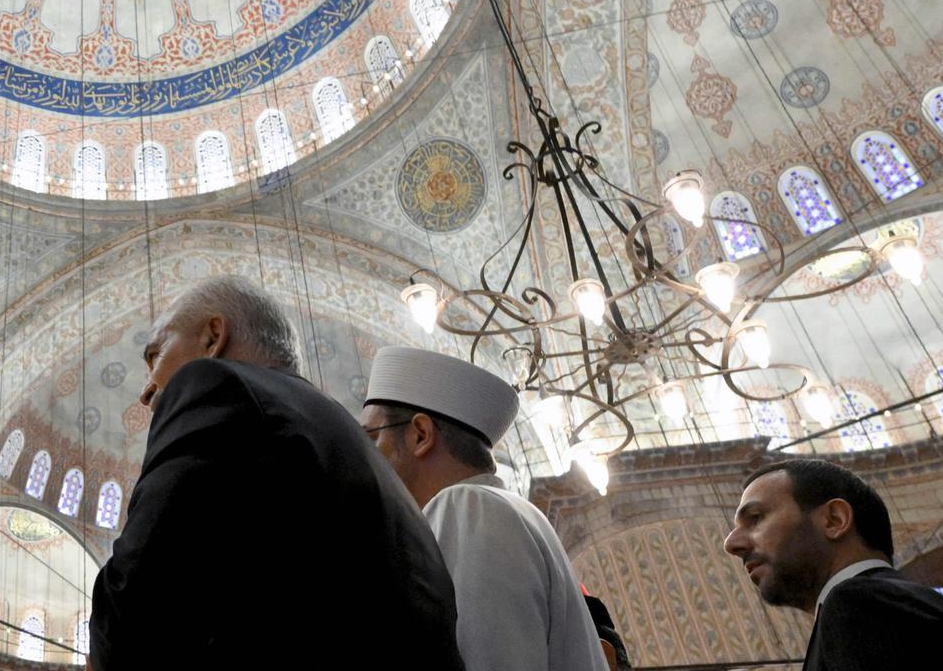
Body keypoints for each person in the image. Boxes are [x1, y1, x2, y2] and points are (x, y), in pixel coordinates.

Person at [90, 277, 463, 670]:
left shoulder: (216, 385)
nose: (147, 392)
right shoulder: (352, 446)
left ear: (212, 338)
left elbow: (133, 613)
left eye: (156, 354)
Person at [362, 346, 605, 671]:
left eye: (373, 437)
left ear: (421, 435)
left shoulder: (467, 509)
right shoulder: (507, 511)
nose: (367, 457)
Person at [723, 457, 943, 670]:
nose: (732, 544)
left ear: (834, 520)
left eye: (756, 518)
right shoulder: (898, 601)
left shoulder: (857, 604)